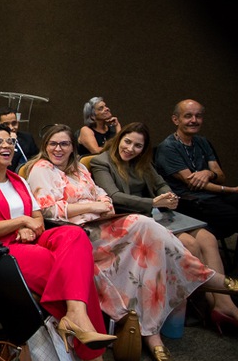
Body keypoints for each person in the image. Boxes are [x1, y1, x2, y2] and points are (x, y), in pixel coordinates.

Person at [24, 124, 237, 361]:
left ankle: (150, 333)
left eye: (64, 144)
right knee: (144, 224)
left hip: (101, 225)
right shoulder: (41, 169)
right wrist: (91, 207)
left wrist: (100, 203)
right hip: (79, 235)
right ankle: (208, 280)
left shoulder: (80, 169)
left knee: (149, 252)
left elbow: (103, 195)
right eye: (53, 144)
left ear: (73, 148)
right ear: (45, 146)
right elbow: (48, 210)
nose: (58, 149)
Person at [0, 124, 116, 361]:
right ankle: (94, 359)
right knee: (64, 269)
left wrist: (29, 224)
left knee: (74, 236)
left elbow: (39, 218)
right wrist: (21, 222)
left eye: (10, 142)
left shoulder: (18, 179)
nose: (6, 146)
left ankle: (75, 315)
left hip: (30, 237)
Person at [92, 122, 238, 333]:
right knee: (189, 244)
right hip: (130, 218)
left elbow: (160, 184)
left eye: (138, 146)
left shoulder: (141, 162)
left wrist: (168, 196)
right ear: (119, 139)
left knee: (207, 238)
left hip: (156, 214)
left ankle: (225, 305)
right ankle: (199, 307)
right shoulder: (101, 161)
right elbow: (114, 196)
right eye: (127, 142)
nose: (131, 149)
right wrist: (153, 203)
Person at [155, 99, 238, 240]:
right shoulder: (168, 147)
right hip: (190, 202)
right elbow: (193, 183)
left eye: (198, 116)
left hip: (212, 196)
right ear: (176, 120)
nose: (194, 120)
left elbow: (220, 176)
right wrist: (231, 190)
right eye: (188, 116)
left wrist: (208, 173)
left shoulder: (202, 141)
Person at [0, 107, 38, 171]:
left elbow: (36, 158)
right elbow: (8, 166)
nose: (11, 127)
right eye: (5, 124)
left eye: (14, 123)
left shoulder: (27, 137)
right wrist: (12, 142)